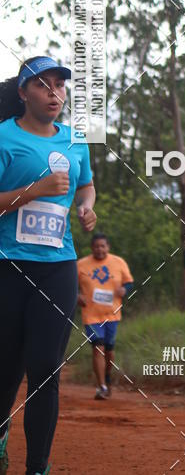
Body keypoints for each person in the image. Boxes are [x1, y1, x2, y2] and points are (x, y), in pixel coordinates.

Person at [0, 55, 97, 475]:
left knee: (45, 368)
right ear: (23, 93)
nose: (54, 92)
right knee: (5, 367)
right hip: (8, 266)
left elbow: (87, 184)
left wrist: (87, 208)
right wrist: (34, 190)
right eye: (43, 85)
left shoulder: (75, 141)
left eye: (59, 85)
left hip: (58, 266)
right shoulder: (3, 138)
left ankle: (37, 465)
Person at [77, 233, 134, 399]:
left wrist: (125, 290)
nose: (99, 249)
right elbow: (68, 283)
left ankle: (107, 377)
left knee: (109, 351)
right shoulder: (80, 265)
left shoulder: (118, 262)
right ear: (92, 248)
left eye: (102, 246)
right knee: (98, 347)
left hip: (112, 314)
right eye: (96, 246)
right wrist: (76, 296)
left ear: (107, 247)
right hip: (91, 314)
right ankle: (101, 386)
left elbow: (129, 282)